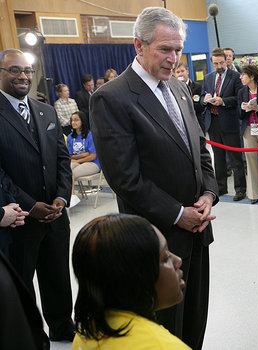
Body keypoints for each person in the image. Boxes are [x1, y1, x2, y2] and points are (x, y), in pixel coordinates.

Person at [89, 7, 218, 349]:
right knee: (164, 331)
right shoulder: (112, 98)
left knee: (194, 321)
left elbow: (200, 149)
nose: (174, 58)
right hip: (155, 240)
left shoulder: (176, 88)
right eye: (165, 49)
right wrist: (179, 214)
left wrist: (208, 196)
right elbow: (125, 178)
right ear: (139, 46)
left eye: (178, 50)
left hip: (198, 230)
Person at [0, 49, 74, 341]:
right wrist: (31, 206)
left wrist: (61, 199)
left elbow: (62, 160)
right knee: (22, 283)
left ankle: (61, 327)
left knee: (57, 275)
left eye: (28, 71)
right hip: (18, 218)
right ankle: (33, 337)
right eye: (14, 70)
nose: (23, 76)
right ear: (2, 73)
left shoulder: (46, 110)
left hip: (55, 214)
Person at [71, 214, 190, 350]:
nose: (178, 260)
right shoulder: (163, 346)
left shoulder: (87, 331)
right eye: (165, 258)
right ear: (135, 278)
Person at [201, 48, 246, 201]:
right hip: (212, 122)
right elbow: (202, 95)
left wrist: (224, 101)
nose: (219, 66)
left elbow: (239, 98)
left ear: (226, 60)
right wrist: (205, 99)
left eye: (221, 62)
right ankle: (221, 187)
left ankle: (240, 189)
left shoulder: (235, 76)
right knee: (218, 158)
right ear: (212, 62)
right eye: (215, 63)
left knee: (235, 158)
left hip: (229, 122)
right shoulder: (208, 77)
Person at [237, 64, 258, 204]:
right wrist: (243, 108)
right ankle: (254, 194)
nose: (240, 77)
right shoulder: (241, 92)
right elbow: (239, 115)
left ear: (251, 76)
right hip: (248, 129)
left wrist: (257, 108)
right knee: (251, 162)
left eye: (243, 74)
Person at [67, 111, 101, 207]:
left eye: (76, 120)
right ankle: (67, 196)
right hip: (79, 161)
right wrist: (81, 156)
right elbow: (70, 156)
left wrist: (77, 159)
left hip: (93, 163)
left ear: (83, 121)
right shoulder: (70, 137)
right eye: (72, 120)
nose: (73, 122)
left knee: (70, 173)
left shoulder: (90, 135)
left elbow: (93, 156)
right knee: (65, 169)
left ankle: (72, 196)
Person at [175, 62, 205, 133]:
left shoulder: (197, 87)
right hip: (182, 126)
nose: (180, 74)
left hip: (197, 124)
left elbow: (200, 107)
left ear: (187, 71)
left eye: (182, 71)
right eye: (177, 72)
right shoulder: (173, 89)